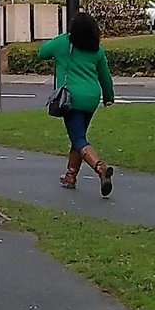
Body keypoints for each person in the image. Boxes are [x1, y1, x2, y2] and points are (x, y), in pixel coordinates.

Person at [37, 11, 117, 196]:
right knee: (78, 136)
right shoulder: (97, 49)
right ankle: (70, 176)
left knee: (79, 139)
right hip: (91, 98)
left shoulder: (63, 43)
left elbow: (41, 53)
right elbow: (105, 76)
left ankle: (100, 168)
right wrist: (108, 97)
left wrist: (61, 38)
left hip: (71, 98)